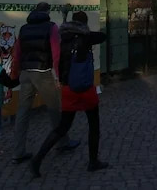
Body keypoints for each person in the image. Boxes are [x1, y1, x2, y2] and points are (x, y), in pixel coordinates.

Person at [30, 11, 109, 177]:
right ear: (84, 23)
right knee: (94, 125)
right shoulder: (85, 38)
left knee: (62, 127)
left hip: (67, 88)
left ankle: (38, 158)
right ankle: (93, 161)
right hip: (85, 87)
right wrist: (86, 33)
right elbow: (102, 36)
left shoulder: (62, 39)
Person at [9, 2, 78, 164]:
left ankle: (18, 151)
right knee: (54, 109)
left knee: (22, 112)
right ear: (47, 12)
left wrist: (14, 74)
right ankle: (62, 142)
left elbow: (17, 54)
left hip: (26, 73)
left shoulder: (24, 29)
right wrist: (58, 76)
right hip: (43, 73)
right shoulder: (51, 27)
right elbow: (56, 53)